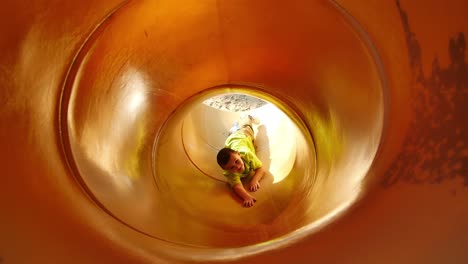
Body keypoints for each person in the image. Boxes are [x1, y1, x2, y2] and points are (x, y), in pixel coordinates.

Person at [216, 114, 265, 207]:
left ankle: (247, 117)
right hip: (230, 142)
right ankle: (233, 129)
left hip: (243, 136)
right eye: (232, 167)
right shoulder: (229, 173)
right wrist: (246, 197)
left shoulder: (246, 154)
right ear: (227, 170)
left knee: (247, 127)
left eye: (237, 161)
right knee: (232, 135)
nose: (237, 167)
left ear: (239, 154)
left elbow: (261, 169)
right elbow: (236, 186)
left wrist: (255, 180)